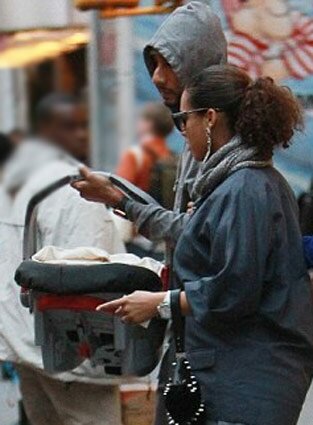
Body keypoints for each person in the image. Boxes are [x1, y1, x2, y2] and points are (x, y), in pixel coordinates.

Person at [90, 66, 313, 425]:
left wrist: (159, 304)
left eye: (184, 118)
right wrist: (123, 199)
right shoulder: (241, 183)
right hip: (235, 371)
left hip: (247, 380)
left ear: (209, 119)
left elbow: (236, 289)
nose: (182, 130)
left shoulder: (246, 187)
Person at [0, 93, 125, 425]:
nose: (82, 134)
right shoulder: (77, 190)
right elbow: (90, 275)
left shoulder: (15, 182)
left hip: (26, 345)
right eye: (70, 126)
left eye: (85, 125)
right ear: (43, 130)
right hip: (73, 353)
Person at [73, 1, 227, 245]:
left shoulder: (222, 142)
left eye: (169, 64)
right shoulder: (191, 140)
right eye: (155, 63)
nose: (157, 77)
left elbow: (197, 234)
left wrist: (117, 199)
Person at [116, 102, 174, 193]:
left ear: (148, 123)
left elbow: (119, 191)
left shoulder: (134, 155)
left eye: (140, 120)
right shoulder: (170, 156)